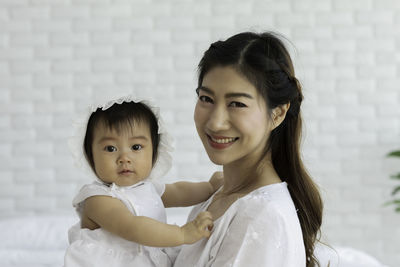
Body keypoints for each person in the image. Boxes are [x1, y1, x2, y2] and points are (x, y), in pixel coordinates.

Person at [172, 32, 323, 267]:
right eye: (206, 99)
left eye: (237, 104)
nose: (215, 122)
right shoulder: (220, 196)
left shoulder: (260, 215)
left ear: (278, 113)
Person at [64, 96, 223, 267]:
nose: (124, 158)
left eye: (136, 147)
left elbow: (179, 191)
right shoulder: (97, 199)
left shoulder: (147, 188)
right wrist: (182, 234)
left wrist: (209, 187)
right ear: (91, 157)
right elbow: (130, 226)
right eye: (110, 148)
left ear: (154, 153)